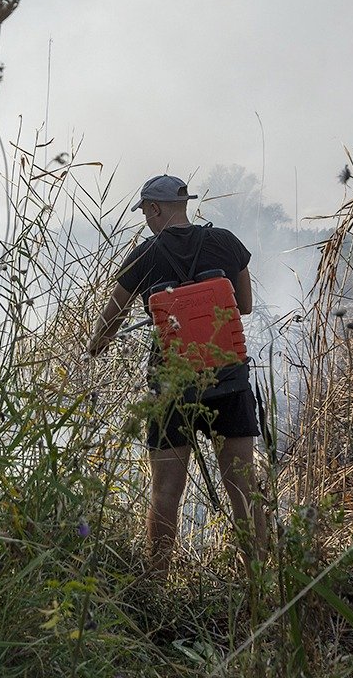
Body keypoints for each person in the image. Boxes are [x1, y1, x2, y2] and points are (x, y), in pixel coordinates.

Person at [85, 174, 265, 572]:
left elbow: (112, 316)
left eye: (146, 212)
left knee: (166, 492)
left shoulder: (144, 255)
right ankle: (260, 580)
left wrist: (93, 350)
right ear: (185, 204)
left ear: (154, 208)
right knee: (243, 487)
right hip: (229, 381)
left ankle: (157, 583)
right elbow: (246, 305)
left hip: (171, 390)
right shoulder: (225, 242)